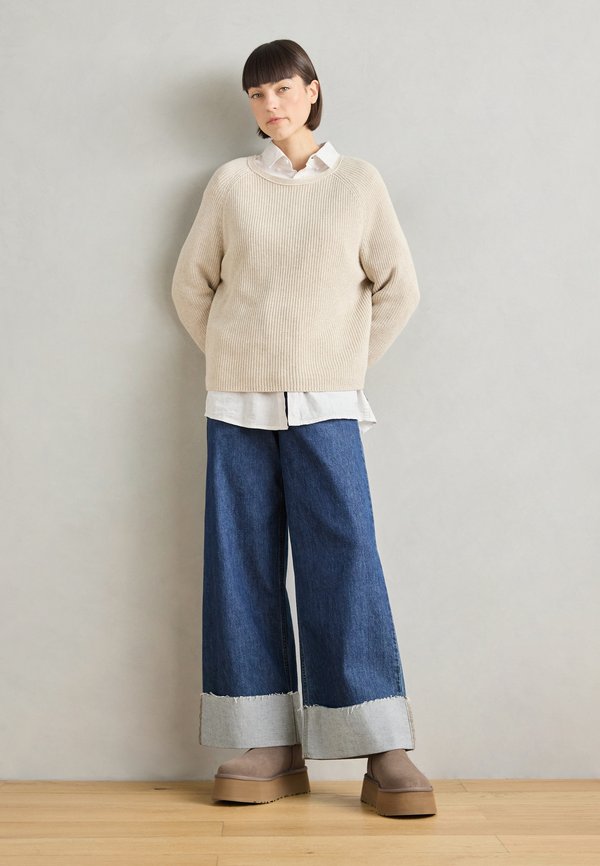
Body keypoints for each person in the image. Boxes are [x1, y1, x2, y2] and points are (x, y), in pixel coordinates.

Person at [171, 39, 436, 819]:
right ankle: (266, 743)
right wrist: (239, 358)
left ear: (312, 90)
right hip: (237, 404)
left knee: (344, 558)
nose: (270, 106)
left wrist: (338, 364)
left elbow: (399, 288)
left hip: (328, 403)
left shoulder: (358, 182)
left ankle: (381, 744)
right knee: (241, 563)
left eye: (282, 89)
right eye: (257, 95)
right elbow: (192, 287)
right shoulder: (231, 185)